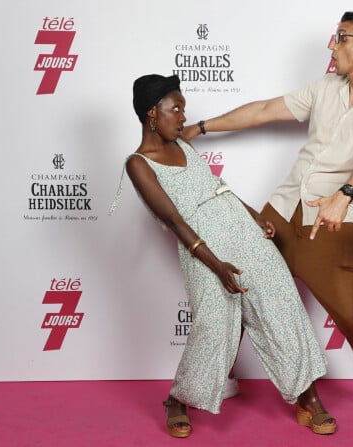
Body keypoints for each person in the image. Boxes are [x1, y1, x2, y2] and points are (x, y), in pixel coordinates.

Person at [183, 10, 353, 428]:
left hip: (332, 219)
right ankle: (219, 374)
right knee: (240, 283)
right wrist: (201, 126)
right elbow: (265, 110)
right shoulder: (326, 87)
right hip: (283, 212)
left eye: (341, 37)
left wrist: (346, 194)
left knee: (351, 313)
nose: (332, 45)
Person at [123, 73, 336, 438]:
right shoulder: (139, 163)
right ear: (151, 113)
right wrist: (216, 264)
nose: (183, 116)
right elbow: (173, 220)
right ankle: (178, 399)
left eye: (183, 109)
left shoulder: (185, 146)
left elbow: (218, 190)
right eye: (175, 109)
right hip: (202, 247)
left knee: (281, 301)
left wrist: (255, 217)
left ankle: (309, 398)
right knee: (213, 327)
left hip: (242, 232)